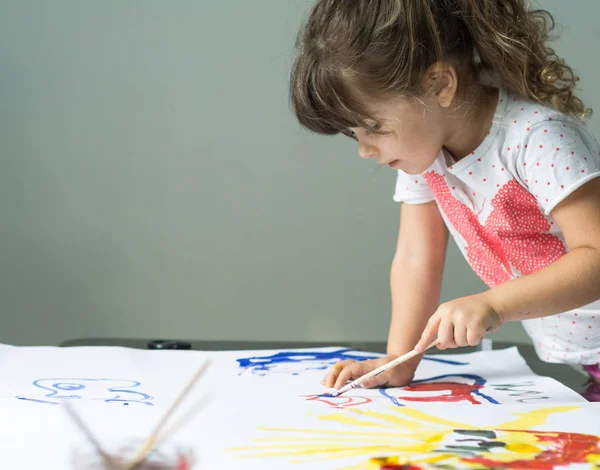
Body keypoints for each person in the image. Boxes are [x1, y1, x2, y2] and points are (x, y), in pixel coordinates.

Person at [289, 0, 600, 400]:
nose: (365, 149)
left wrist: (493, 304)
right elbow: (418, 258)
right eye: (354, 134)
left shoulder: (537, 139)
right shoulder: (425, 155)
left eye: (372, 127)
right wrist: (398, 360)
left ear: (438, 85)